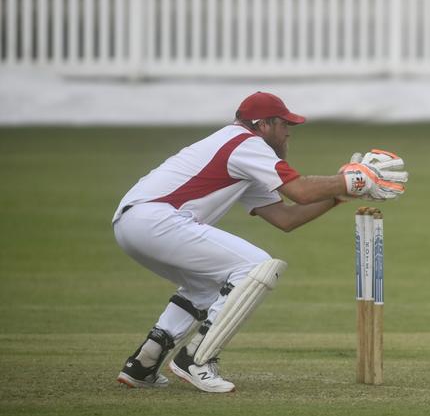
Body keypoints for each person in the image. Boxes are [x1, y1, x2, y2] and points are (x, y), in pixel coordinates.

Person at [113, 91, 408, 394]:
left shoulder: (241, 153)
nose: (289, 133)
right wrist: (355, 180)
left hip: (132, 224)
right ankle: (197, 359)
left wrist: (342, 192)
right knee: (255, 266)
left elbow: (285, 218)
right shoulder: (245, 143)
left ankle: (143, 364)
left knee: (205, 287)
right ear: (263, 125)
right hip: (157, 219)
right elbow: (301, 191)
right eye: (284, 125)